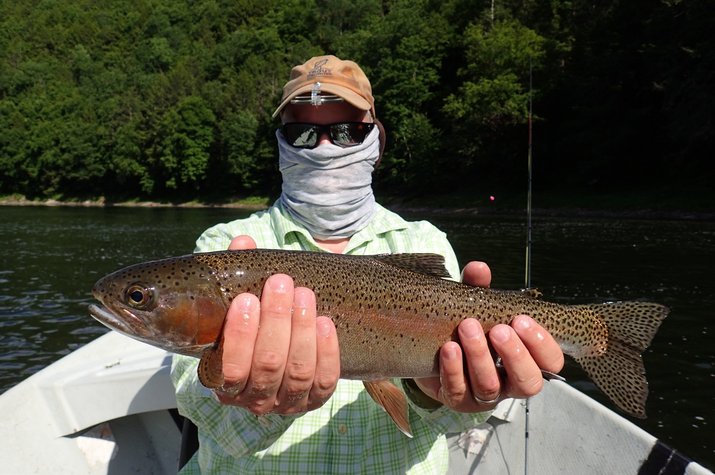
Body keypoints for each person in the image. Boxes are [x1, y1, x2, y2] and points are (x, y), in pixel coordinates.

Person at [171, 55, 564, 473]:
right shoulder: (224, 249)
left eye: (346, 131)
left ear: (376, 141)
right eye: (302, 132)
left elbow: (456, 419)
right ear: (282, 145)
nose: (323, 147)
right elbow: (204, 411)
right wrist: (251, 401)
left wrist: (442, 393)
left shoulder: (425, 241)